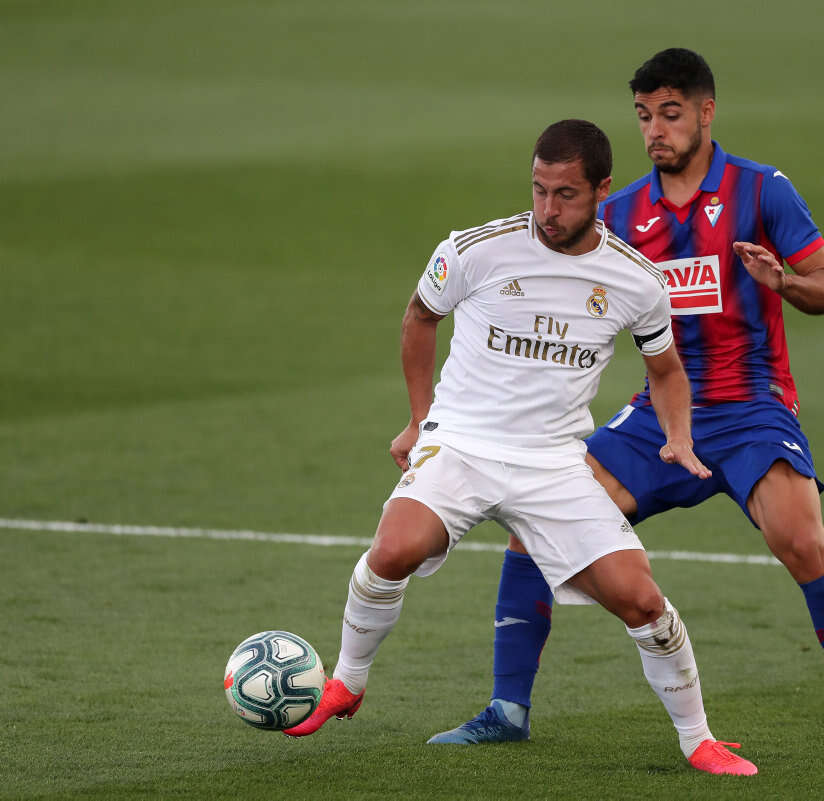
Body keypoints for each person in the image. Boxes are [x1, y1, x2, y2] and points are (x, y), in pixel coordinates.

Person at [428, 49, 824, 759]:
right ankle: (507, 707)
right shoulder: (620, 212)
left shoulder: (762, 191)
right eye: (645, 115)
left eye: (671, 113)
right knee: (532, 525)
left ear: (706, 112)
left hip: (750, 407)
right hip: (657, 415)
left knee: (802, 540)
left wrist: (781, 281)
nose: (656, 129)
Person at [281, 119, 757, 776]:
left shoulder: (636, 280)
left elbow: (667, 369)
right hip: (463, 443)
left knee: (641, 599)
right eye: (538, 190)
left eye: (565, 194)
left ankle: (698, 738)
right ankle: (348, 679)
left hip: (554, 463)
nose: (547, 209)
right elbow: (420, 315)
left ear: (602, 190)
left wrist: (678, 435)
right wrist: (420, 420)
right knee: (392, 549)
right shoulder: (475, 249)